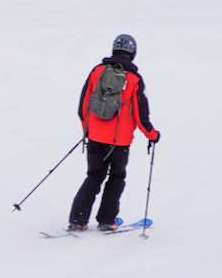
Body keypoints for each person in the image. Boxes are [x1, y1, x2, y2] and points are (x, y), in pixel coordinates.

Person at [68, 34, 160, 232]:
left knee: (93, 176)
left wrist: (88, 129)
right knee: (116, 179)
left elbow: (83, 105)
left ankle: (78, 219)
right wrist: (152, 135)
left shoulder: (97, 71)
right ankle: (106, 221)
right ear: (133, 53)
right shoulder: (134, 79)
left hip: (94, 138)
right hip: (120, 142)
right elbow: (141, 114)